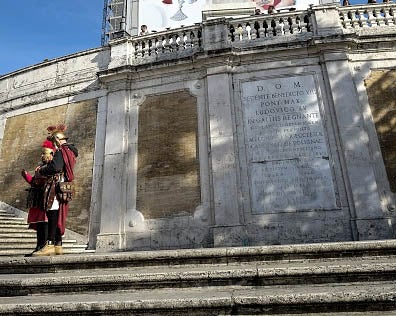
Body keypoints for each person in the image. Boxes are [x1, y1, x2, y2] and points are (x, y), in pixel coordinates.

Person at [33, 124, 78, 256]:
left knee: (52, 214)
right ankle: (58, 245)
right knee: (58, 215)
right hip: (64, 186)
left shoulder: (61, 151)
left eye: (54, 143)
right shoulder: (71, 151)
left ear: (58, 140)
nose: (55, 146)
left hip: (56, 186)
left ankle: (50, 244)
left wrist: (42, 170)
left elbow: (55, 167)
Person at [21, 140, 56, 256]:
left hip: (46, 198)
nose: (42, 156)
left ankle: (45, 246)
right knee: (40, 223)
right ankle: (38, 246)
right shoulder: (40, 167)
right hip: (37, 198)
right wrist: (26, 176)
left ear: (51, 154)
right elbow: (34, 182)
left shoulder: (51, 167)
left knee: (45, 222)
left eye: (44, 153)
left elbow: (49, 182)